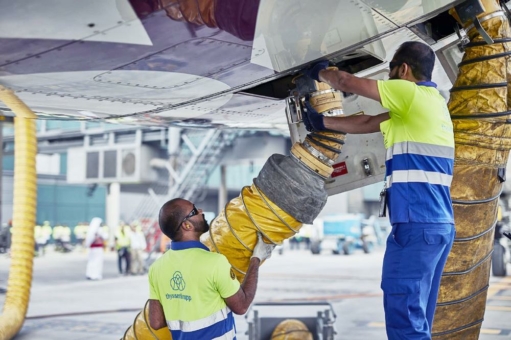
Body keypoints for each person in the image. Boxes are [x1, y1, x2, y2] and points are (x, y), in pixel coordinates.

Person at [302, 41, 455, 339]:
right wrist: (322, 122)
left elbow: (346, 82)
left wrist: (319, 72)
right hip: (436, 227)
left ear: (404, 69)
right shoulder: (430, 104)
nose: (387, 79)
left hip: (417, 226)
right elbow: (369, 122)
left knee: (404, 314)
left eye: (390, 72)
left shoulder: (409, 92)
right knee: (418, 315)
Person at [148, 198, 275, 339]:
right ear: (187, 225)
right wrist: (256, 259)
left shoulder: (156, 268)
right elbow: (241, 306)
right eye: (195, 211)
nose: (201, 211)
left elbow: (156, 322)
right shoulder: (215, 262)